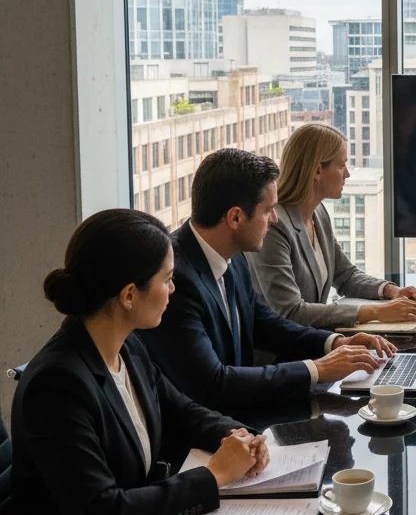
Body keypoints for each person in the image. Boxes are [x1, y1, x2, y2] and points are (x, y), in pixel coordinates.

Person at [0, 209, 268, 515]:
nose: (174, 289)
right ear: (128, 295)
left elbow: (184, 413)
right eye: (168, 279)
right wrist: (214, 476)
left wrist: (240, 436)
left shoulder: (128, 346)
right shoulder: (56, 385)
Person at [140, 148, 391, 411]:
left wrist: (334, 343)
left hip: (238, 415)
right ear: (235, 217)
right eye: (268, 210)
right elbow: (213, 384)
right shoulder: (175, 280)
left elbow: (263, 323)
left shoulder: (233, 254)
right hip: (206, 425)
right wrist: (317, 369)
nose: (274, 218)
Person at [246, 123, 416, 329]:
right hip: (281, 346)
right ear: (317, 170)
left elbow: (345, 275)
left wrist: (391, 291)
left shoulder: (318, 213)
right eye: (342, 166)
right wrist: (377, 312)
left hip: (314, 339)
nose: (347, 174)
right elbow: (290, 311)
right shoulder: (274, 225)